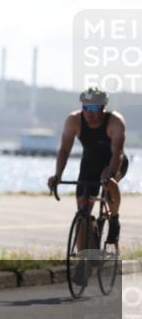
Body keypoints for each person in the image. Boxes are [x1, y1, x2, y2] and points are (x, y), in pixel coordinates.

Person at [48, 87, 128, 283]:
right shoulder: (74, 120)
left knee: (109, 182)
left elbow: (117, 152)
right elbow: (65, 149)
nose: (90, 113)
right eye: (86, 107)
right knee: (82, 213)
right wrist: (58, 175)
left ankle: (114, 219)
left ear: (103, 108)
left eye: (95, 108)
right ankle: (84, 262)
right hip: (90, 164)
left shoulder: (115, 121)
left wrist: (109, 172)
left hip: (115, 161)